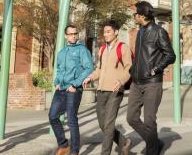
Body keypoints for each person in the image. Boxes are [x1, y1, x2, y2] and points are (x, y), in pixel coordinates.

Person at [127, 1, 176, 155]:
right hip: (136, 82)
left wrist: (156, 69)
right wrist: (133, 69)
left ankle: (152, 151)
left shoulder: (158, 31)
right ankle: (154, 142)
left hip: (152, 83)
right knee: (131, 118)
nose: (134, 16)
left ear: (142, 16)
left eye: (135, 13)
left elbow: (170, 55)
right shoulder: (140, 31)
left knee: (149, 120)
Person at [83, 20, 133, 155]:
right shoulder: (103, 49)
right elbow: (99, 69)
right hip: (101, 90)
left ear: (116, 32)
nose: (105, 34)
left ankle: (105, 153)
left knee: (109, 124)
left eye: (108, 31)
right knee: (102, 124)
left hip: (115, 90)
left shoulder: (123, 48)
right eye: (104, 32)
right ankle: (124, 142)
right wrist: (90, 77)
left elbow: (128, 68)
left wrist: (121, 81)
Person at [49, 24, 94, 155]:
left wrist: (75, 84)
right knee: (52, 116)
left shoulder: (82, 50)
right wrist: (57, 82)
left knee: (71, 120)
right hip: (61, 89)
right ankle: (63, 145)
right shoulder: (61, 52)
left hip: (74, 89)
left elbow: (88, 68)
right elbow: (59, 70)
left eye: (75, 33)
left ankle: (74, 151)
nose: (73, 36)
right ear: (65, 36)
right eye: (70, 34)